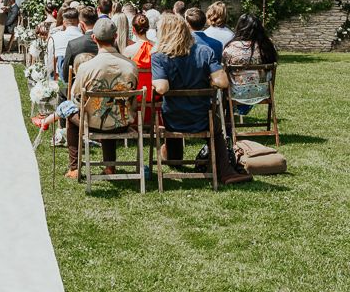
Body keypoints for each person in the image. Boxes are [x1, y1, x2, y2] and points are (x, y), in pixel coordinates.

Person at [151, 14, 251, 185]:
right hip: (202, 118)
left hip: (174, 119)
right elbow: (222, 81)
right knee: (216, 127)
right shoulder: (204, 51)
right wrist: (210, 80)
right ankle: (225, 171)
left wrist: (155, 83)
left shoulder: (159, 56)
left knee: (173, 111)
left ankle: (174, 158)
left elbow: (161, 88)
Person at [62, 18, 139, 179]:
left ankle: (75, 168)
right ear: (116, 36)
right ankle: (110, 167)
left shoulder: (86, 68)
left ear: (94, 38)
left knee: (71, 114)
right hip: (122, 123)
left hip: (94, 124)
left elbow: (75, 98)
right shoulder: (131, 66)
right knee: (110, 112)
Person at [223, 13, 278, 114]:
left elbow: (223, 68)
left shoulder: (231, 48)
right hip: (262, 92)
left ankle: (227, 124)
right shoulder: (267, 47)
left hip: (237, 93)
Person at [62, 6, 99, 83]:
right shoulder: (107, 42)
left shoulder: (73, 44)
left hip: (80, 86)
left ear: (81, 25)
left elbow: (66, 75)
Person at [46, 6, 82, 80]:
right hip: (80, 78)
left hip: (59, 79)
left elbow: (49, 61)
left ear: (64, 22)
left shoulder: (55, 37)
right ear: (78, 21)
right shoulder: (84, 38)